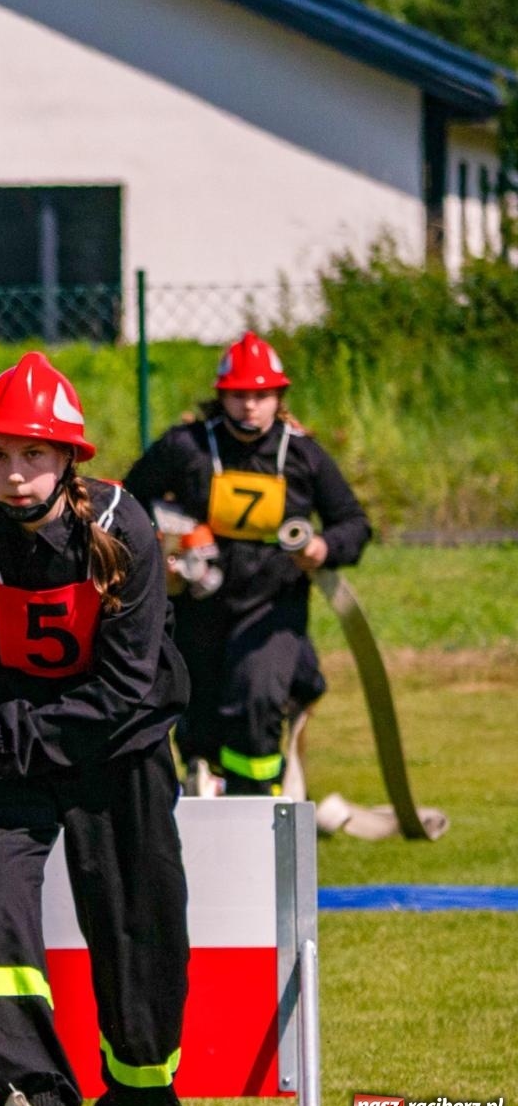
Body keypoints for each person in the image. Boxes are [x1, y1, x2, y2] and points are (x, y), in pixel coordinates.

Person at [0, 352, 190, 1106]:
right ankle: (35, 1101)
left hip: (118, 748)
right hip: (4, 751)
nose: (15, 474)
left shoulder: (127, 530)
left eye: (33, 455)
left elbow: (126, 689)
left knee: (134, 924)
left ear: (67, 460)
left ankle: (142, 1101)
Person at [124, 331, 372, 795]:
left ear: (279, 397)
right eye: (239, 396)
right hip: (198, 606)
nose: (250, 406)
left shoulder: (304, 455)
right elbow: (128, 501)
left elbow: (353, 524)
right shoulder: (186, 447)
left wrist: (322, 547)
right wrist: (168, 541)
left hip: (273, 607)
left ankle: (257, 801)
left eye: (261, 395)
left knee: (255, 699)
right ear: (222, 397)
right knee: (195, 711)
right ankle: (205, 785)